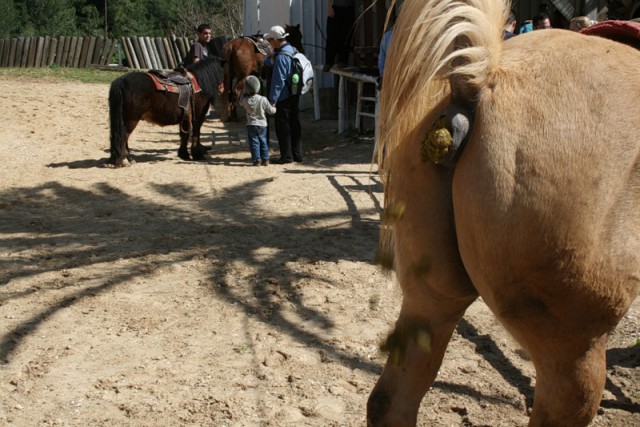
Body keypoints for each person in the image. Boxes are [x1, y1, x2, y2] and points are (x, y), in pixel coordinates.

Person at [263, 25, 303, 164]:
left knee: (283, 126)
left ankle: (286, 156)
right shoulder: (292, 49)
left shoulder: (281, 57)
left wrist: (273, 100)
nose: (269, 43)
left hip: (283, 96)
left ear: (275, 39)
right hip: (295, 92)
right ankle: (297, 155)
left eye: (270, 40)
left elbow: (278, 81)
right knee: (295, 123)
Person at [238, 76, 276, 166]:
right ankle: (266, 159)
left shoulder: (245, 101)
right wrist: (275, 108)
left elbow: (240, 101)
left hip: (251, 124)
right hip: (263, 125)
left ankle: (256, 160)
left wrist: (243, 92)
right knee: (263, 141)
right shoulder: (263, 99)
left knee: (254, 142)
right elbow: (271, 111)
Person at [323, 0, 356, 72]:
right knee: (332, 34)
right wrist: (329, 7)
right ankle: (329, 61)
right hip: (336, 7)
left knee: (346, 35)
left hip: (349, 7)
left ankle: (342, 60)